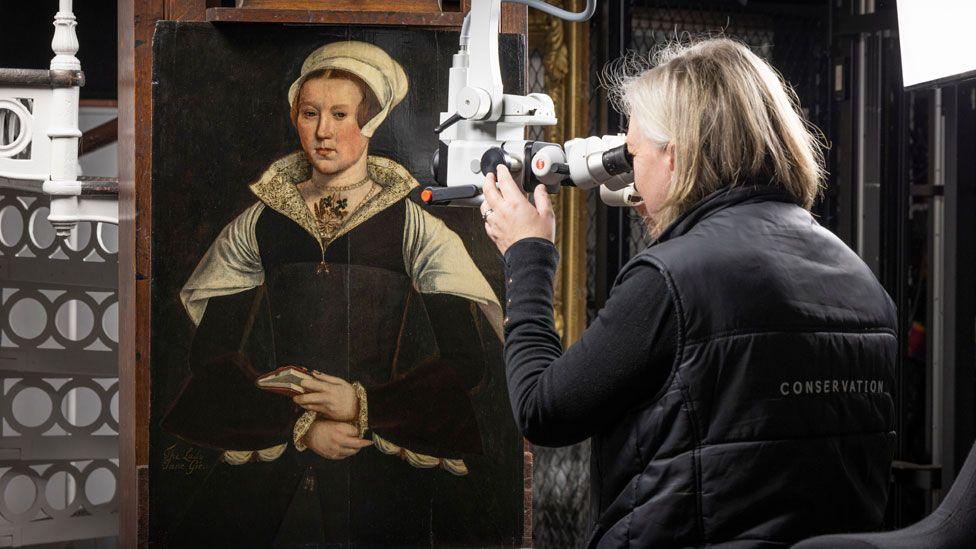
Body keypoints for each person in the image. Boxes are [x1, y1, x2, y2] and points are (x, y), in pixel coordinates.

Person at [481, 37, 896, 547]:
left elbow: (543, 410)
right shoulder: (862, 280)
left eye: (632, 154)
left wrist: (527, 253)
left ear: (673, 157)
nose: (630, 176)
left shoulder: (671, 280)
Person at [160, 41, 515, 546]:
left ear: (370, 122)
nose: (323, 131)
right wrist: (301, 426)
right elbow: (211, 354)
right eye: (310, 114)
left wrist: (360, 404)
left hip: (381, 453)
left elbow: (466, 362)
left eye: (340, 113)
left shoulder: (415, 227)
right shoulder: (261, 222)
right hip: (274, 447)